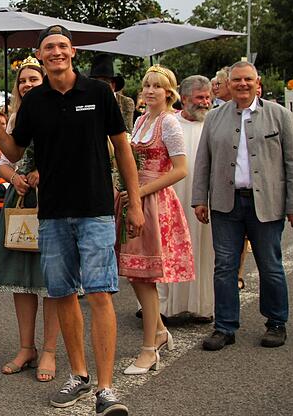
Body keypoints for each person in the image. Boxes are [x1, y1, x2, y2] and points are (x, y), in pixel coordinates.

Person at [0, 25, 143, 415]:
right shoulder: (35, 102)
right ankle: (78, 375)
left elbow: (123, 150)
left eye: (62, 46)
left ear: (73, 52)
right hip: (52, 215)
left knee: (99, 295)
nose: (57, 52)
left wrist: (135, 202)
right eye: (49, 48)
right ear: (41, 55)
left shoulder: (98, 92)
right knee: (62, 295)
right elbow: (15, 149)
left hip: (95, 210)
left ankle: (106, 388)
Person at [192, 61, 293, 351]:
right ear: (228, 83)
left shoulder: (279, 115)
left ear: (257, 81)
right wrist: (200, 198)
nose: (242, 84)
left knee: (270, 265)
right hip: (227, 204)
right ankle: (224, 327)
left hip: (267, 203)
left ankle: (276, 323)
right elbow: (203, 160)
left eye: (247, 79)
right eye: (236, 80)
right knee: (224, 266)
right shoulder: (214, 117)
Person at [115, 65, 194, 375]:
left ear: (168, 92)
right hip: (135, 196)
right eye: (147, 85)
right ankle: (159, 331)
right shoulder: (141, 120)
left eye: (157, 87)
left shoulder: (169, 123)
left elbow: (180, 169)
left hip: (154, 200)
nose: (149, 91)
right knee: (135, 273)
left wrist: (141, 190)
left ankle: (150, 350)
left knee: (145, 277)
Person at [0, 56, 61, 382]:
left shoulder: (57, 110)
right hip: (20, 199)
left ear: (45, 79)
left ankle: (49, 349)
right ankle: (26, 347)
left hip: (53, 198)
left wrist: (42, 171)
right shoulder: (16, 118)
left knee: (50, 280)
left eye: (34, 78)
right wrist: (14, 176)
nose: (27, 84)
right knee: (22, 278)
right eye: (22, 80)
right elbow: (3, 162)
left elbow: (69, 155)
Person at [157, 75, 214, 322]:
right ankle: (165, 307)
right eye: (200, 97)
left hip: (204, 198)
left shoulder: (214, 123)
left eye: (208, 97)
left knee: (204, 250)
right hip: (173, 196)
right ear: (186, 98)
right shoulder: (170, 123)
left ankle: (202, 306)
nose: (205, 102)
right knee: (167, 248)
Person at [90, 53, 135, 132]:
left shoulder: (126, 102)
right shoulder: (87, 101)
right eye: (96, 83)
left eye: (104, 83)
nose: (100, 87)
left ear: (113, 85)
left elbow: (127, 131)